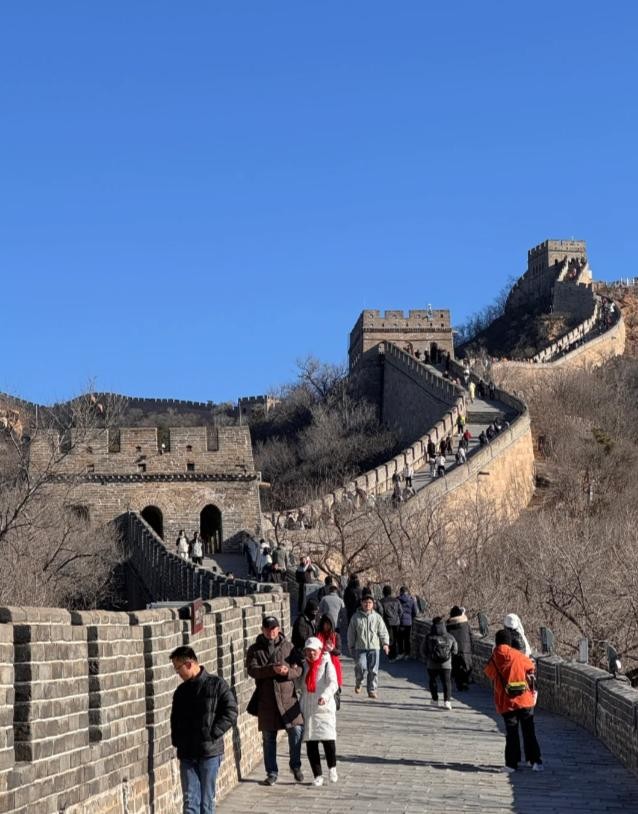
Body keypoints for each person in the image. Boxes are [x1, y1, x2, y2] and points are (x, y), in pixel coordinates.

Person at [170, 646, 238, 814]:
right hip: (187, 753)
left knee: (206, 803)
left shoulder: (217, 684)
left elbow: (231, 711)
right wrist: (178, 741)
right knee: (190, 802)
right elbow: (175, 719)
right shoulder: (181, 692)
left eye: (178, 668)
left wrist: (213, 733)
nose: (177, 673)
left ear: (189, 664)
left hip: (209, 753)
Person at [245, 615, 304, 786]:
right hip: (267, 700)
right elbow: (252, 671)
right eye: (267, 629)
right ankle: (271, 772)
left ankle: (295, 765)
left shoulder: (288, 647)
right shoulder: (255, 649)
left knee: (296, 731)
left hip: (287, 698)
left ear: (278, 629)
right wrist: (272, 670)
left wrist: (288, 672)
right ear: (262, 630)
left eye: (273, 628)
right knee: (268, 738)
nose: (271, 632)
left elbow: (299, 668)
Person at [484, 628, 543, 772]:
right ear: (509, 642)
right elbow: (531, 667)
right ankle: (535, 761)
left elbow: (489, 674)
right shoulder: (518, 655)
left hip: (506, 700)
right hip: (524, 698)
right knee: (529, 731)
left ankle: (511, 763)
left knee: (512, 732)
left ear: (497, 642)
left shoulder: (494, 659)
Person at [297, 637, 339, 786]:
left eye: (313, 650)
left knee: (328, 739)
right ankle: (318, 775)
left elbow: (334, 683)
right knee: (311, 743)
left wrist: (325, 696)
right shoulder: (304, 666)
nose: (311, 653)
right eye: (308, 650)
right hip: (308, 708)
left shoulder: (326, 663)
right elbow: (299, 685)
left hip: (323, 708)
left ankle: (332, 768)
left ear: (320, 650)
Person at [347, 589, 390, 699]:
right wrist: (350, 645)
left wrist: (385, 644)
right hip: (360, 647)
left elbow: (383, 631)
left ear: (373, 604)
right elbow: (351, 633)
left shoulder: (377, 617)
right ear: (361, 603)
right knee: (360, 666)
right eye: (365, 602)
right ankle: (359, 681)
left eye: (370, 602)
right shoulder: (356, 617)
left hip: (374, 647)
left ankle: (372, 690)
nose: (367, 604)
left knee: (373, 670)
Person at [423, 616, 458, 709]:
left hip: (432, 663)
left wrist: (428, 657)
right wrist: (449, 656)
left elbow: (423, 650)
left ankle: (435, 700)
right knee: (447, 682)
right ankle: (447, 702)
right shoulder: (450, 636)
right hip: (446, 664)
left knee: (433, 681)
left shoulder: (429, 636)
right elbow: (455, 650)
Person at [316, 614, 343, 707]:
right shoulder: (318, 635)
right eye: (325, 624)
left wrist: (332, 649)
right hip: (321, 663)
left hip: (333, 663)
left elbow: (339, 651)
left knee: (333, 682)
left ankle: (335, 701)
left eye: (328, 624)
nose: (326, 626)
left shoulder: (336, 635)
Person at [446, 606, 472, 691]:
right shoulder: (465, 624)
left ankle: (459, 684)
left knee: (456, 666)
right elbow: (470, 635)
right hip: (466, 648)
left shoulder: (449, 625)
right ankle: (465, 683)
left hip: (455, 648)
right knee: (466, 666)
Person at [380, 585, 402, 661]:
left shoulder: (381, 601)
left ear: (383, 592)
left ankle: (391, 655)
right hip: (396, 622)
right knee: (396, 638)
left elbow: (381, 612)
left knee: (389, 639)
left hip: (387, 622)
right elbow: (401, 611)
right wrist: (398, 618)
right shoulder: (396, 600)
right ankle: (396, 653)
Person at [397, 586, 417, 659]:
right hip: (408, 622)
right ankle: (407, 653)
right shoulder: (412, 600)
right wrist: (411, 617)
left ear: (401, 592)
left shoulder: (397, 600)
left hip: (400, 621)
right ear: (407, 592)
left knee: (400, 639)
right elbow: (415, 612)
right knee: (407, 639)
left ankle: (401, 652)